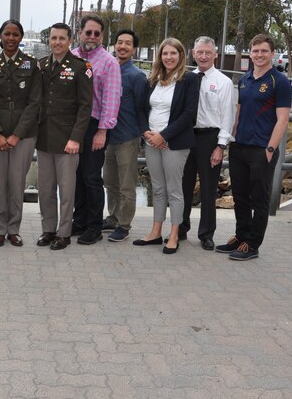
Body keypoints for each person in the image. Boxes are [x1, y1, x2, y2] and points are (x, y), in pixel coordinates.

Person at [217, 33, 291, 261]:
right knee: (240, 196)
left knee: (259, 199)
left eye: (264, 51)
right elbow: (239, 111)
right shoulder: (246, 79)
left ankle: (253, 244)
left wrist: (270, 149)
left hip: (262, 150)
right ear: (250, 52)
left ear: (272, 53)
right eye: (256, 50)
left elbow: (283, 119)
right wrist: (232, 138)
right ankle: (241, 237)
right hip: (240, 146)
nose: (259, 55)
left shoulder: (280, 81)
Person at [133, 38, 199, 254]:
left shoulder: (189, 79)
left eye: (173, 53)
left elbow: (189, 114)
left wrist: (164, 136)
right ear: (159, 56)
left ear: (181, 56)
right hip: (152, 141)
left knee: (174, 190)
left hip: (175, 143)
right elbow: (141, 110)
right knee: (158, 188)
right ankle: (155, 232)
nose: (168, 57)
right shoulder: (152, 79)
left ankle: (174, 235)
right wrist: (147, 133)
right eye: (164, 53)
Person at [0, 19, 41, 247]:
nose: (11, 38)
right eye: (7, 34)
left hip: (23, 136)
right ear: (1, 36)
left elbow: (34, 104)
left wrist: (16, 135)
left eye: (15, 34)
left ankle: (13, 228)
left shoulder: (31, 65)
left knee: (16, 183)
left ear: (21, 38)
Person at [35, 23, 92, 251]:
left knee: (67, 190)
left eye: (61, 38)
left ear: (70, 41)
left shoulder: (80, 67)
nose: (57, 42)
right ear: (49, 40)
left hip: (68, 139)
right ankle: (48, 229)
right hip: (45, 137)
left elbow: (85, 106)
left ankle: (64, 233)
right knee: (46, 189)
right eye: (53, 38)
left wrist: (76, 138)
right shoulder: (41, 65)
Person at [180, 36, 235, 251]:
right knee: (182, 187)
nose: (203, 56)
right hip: (186, 137)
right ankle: (181, 228)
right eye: (199, 52)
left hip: (209, 139)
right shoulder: (185, 79)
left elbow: (228, 116)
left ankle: (206, 234)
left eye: (208, 53)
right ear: (193, 53)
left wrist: (220, 146)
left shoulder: (224, 82)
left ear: (215, 55)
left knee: (208, 189)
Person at [70, 14, 121, 245]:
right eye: (88, 32)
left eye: (96, 33)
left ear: (102, 36)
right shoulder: (71, 57)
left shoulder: (108, 62)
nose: (92, 37)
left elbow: (111, 100)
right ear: (80, 32)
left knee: (92, 177)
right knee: (77, 176)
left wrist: (102, 131)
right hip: (72, 126)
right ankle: (78, 220)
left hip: (95, 126)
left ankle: (94, 226)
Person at [103, 29, 148, 243]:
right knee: (110, 182)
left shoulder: (137, 76)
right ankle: (112, 217)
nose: (122, 46)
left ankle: (124, 224)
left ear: (133, 48)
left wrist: (142, 135)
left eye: (127, 43)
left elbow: (142, 108)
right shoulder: (107, 70)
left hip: (127, 138)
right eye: (119, 42)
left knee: (127, 185)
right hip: (107, 137)